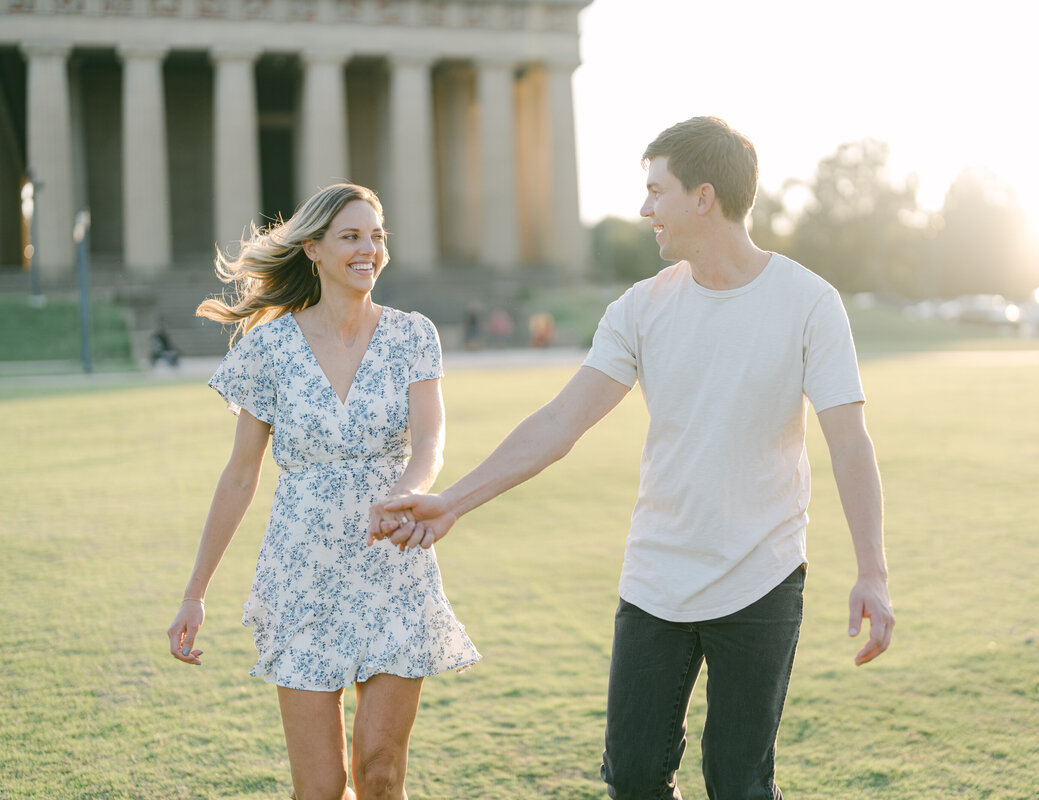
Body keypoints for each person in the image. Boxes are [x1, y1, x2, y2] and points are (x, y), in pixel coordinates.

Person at [371, 116, 894, 798]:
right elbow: (561, 420)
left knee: (739, 780)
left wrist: (872, 572)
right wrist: (452, 502)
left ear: (702, 197)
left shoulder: (809, 303)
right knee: (636, 777)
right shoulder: (640, 308)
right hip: (655, 578)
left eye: (656, 190)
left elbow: (848, 441)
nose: (645, 208)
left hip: (761, 578)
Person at [167, 183, 479, 800]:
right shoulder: (268, 348)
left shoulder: (413, 334)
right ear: (312, 248)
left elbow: (430, 444)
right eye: (351, 236)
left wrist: (406, 493)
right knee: (320, 787)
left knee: (380, 772)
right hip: (300, 575)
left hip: (392, 569)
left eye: (377, 235)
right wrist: (195, 593)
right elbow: (239, 476)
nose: (370, 249)